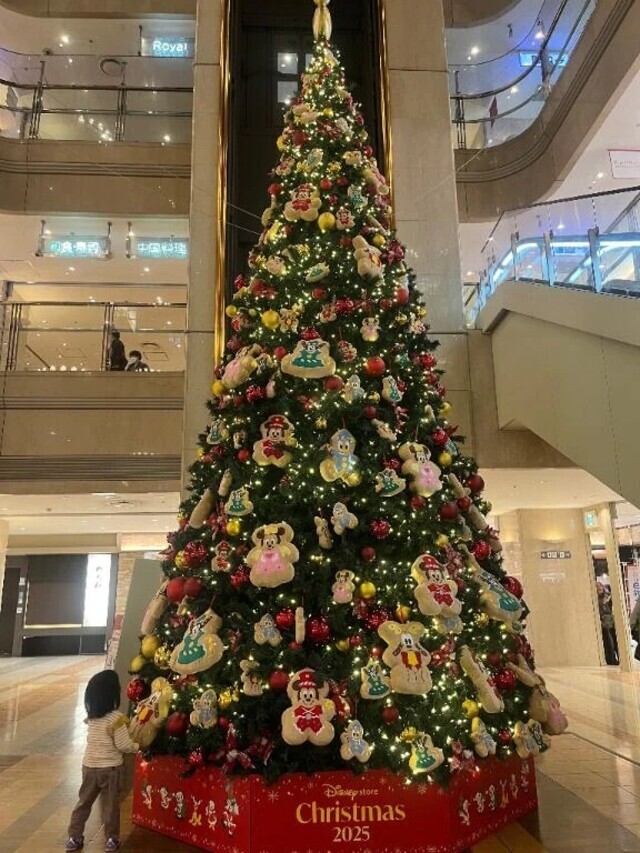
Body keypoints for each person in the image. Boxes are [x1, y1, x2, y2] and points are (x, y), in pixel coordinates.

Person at [65, 670, 139, 853]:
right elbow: (123, 745)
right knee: (111, 806)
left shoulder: (91, 718)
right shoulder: (117, 719)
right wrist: (138, 747)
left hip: (89, 767)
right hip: (111, 769)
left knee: (83, 803)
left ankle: (74, 836)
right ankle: (111, 840)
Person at [597, 582, 619, 666]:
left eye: (600, 588)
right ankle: (611, 659)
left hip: (610, 621)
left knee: (614, 641)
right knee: (609, 642)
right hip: (604, 622)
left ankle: (616, 658)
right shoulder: (597, 599)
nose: (600, 590)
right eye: (598, 588)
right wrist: (603, 602)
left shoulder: (606, 596)